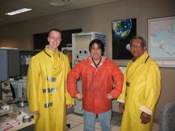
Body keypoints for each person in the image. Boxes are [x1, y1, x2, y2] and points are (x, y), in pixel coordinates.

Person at [67, 39, 124, 131]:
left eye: (98, 48)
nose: (95, 51)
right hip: (88, 104)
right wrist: (74, 92)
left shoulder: (110, 65)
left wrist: (114, 93)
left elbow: (120, 79)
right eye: (93, 48)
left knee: (106, 128)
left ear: (102, 50)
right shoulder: (83, 64)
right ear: (90, 50)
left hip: (105, 103)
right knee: (88, 128)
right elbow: (71, 76)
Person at [26, 28, 74, 131]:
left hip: (59, 101)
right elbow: (32, 84)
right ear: (48, 39)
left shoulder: (64, 58)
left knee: (59, 126)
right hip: (43, 101)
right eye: (52, 37)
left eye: (58, 38)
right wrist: (34, 105)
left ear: (60, 41)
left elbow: (68, 80)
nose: (55, 41)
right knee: (44, 127)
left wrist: (69, 97)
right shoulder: (36, 59)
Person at [117, 35, 161, 131]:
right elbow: (125, 83)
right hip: (129, 105)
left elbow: (153, 90)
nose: (134, 48)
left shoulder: (151, 65)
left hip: (141, 108)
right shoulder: (130, 62)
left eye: (138, 45)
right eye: (132, 45)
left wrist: (147, 110)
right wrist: (122, 100)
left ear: (144, 48)